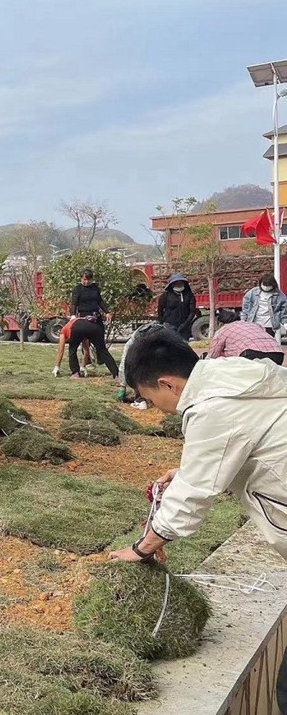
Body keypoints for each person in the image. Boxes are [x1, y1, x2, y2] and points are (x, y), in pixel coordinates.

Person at [108, 330, 287, 710]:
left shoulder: (212, 408)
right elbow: (248, 441)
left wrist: (142, 548)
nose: (153, 407)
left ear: (166, 384)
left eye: (148, 398)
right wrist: (188, 469)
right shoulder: (237, 376)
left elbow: (191, 498)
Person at [209, 308, 284, 365]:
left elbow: (212, 356)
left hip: (251, 355)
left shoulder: (222, 330)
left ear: (220, 323)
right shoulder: (254, 324)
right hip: (278, 354)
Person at [156, 273, 198, 339]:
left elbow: (192, 311)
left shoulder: (189, 295)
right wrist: (161, 324)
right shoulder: (165, 296)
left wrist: (184, 325)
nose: (179, 285)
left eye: (180, 283)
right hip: (169, 326)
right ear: (172, 285)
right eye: (176, 283)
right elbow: (160, 310)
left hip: (184, 327)